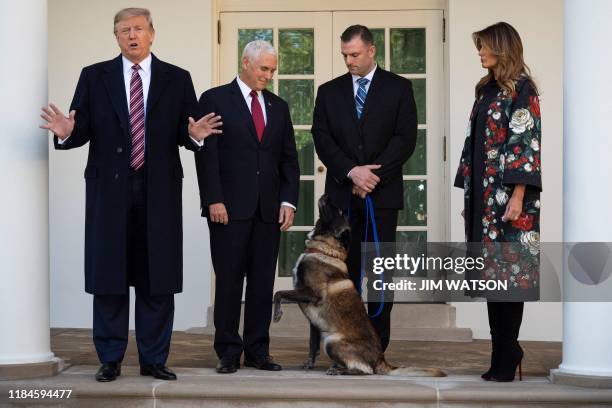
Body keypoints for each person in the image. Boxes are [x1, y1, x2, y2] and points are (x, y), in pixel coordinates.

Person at [39, 8, 221, 382]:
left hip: (159, 191)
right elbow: (80, 128)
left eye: (138, 29)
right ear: (116, 37)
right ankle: (110, 359)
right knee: (110, 275)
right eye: (124, 31)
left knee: (158, 276)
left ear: (152, 33)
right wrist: (66, 132)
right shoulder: (94, 76)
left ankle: (154, 359)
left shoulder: (177, 78)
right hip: (110, 191)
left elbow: (187, 131)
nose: (131, 35)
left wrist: (196, 137)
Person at [194, 40, 300, 374]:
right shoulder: (214, 99)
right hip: (227, 208)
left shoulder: (279, 107)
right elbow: (206, 154)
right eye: (263, 68)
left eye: (272, 69)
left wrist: (288, 201)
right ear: (245, 63)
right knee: (228, 281)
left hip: (268, 211)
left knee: (261, 282)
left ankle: (258, 350)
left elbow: (289, 160)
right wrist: (213, 198)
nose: (269, 75)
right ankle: (227, 351)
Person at [311, 25, 417, 352]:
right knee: (344, 276)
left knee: (380, 274)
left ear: (371, 50)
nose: (349, 61)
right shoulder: (329, 92)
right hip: (342, 200)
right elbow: (322, 138)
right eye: (345, 55)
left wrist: (372, 175)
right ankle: (344, 346)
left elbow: (405, 139)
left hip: (382, 199)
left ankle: (376, 347)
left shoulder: (399, 88)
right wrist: (351, 172)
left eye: (354, 54)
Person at [454, 22, 542, 382]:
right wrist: (469, 194)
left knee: (512, 276)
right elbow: (472, 142)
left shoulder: (523, 89)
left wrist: (519, 195)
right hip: (484, 197)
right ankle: (501, 352)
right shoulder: (485, 89)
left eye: (485, 46)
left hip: (510, 200)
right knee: (493, 278)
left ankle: (508, 352)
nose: (480, 52)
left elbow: (525, 141)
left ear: (502, 48)